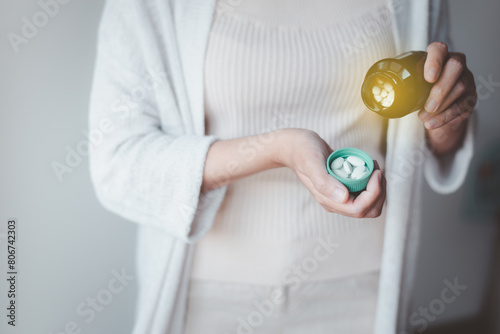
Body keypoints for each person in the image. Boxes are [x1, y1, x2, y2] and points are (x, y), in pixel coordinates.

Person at [88, 0, 476, 333]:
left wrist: (448, 117)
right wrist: (275, 149)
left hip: (361, 291)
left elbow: (428, 141)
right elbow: (118, 161)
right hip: (209, 296)